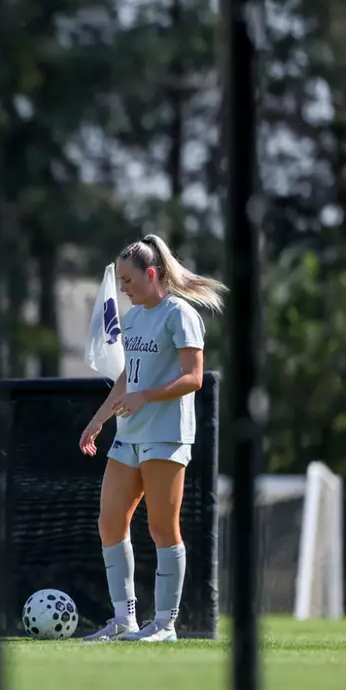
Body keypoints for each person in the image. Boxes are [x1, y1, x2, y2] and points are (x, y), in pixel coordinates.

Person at [77, 235, 227, 643]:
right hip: (129, 436)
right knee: (110, 522)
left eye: (128, 280)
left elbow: (194, 377)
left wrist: (145, 397)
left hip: (166, 435)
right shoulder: (133, 319)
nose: (123, 288)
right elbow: (128, 377)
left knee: (162, 526)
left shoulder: (180, 314)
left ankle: (164, 624)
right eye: (120, 282)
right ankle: (123, 620)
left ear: (150, 274)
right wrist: (99, 419)